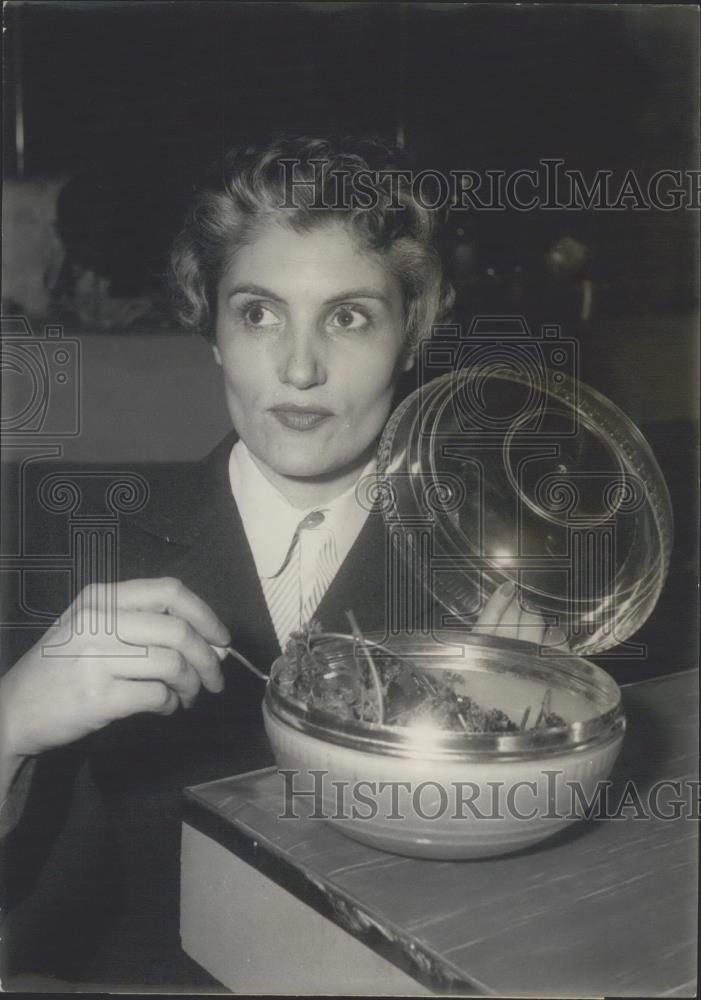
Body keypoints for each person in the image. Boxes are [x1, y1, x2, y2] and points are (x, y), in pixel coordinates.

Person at [0, 135, 546, 985]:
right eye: (257, 313)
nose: (298, 367)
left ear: (410, 340)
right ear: (212, 331)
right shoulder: (72, 548)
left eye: (348, 315)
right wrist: (8, 725)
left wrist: (529, 764)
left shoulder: (488, 575)